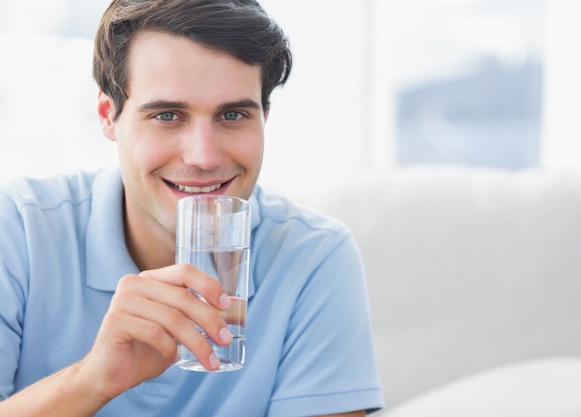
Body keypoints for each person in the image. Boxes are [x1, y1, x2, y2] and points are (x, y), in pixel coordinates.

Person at [0, 0, 383, 416]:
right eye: (167, 115)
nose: (203, 156)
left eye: (233, 115)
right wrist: (91, 381)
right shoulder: (18, 230)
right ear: (109, 116)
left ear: (265, 118)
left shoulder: (314, 258)